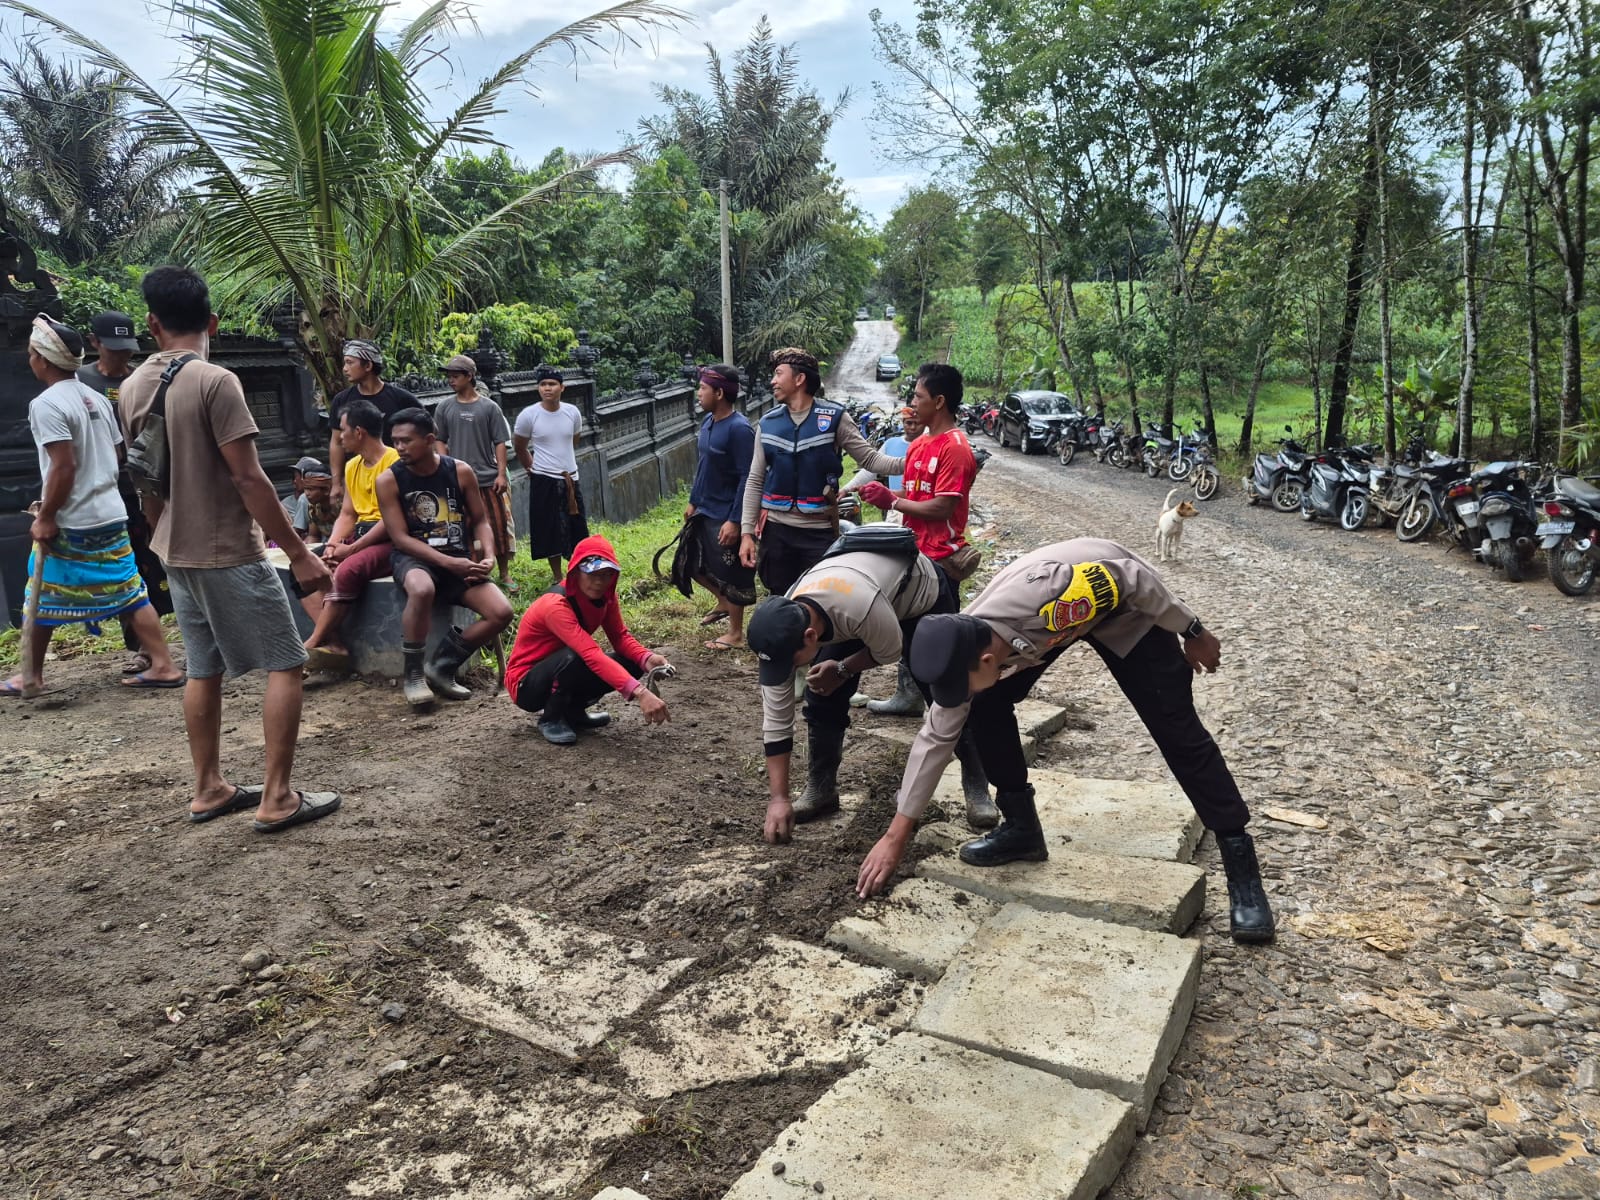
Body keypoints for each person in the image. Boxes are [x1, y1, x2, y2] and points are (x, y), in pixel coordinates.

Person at [853, 537, 1276, 945]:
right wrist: (896, 834)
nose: (954, 701)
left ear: (987, 660)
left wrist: (1192, 629)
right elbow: (934, 738)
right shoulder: (965, 647)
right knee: (982, 705)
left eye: (958, 688)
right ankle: (1021, 829)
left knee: (1177, 729)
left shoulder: (1047, 599)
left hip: (1121, 605)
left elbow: (1131, 577)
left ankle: (1242, 870)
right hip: (1051, 625)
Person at [119, 266, 339, 832]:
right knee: (287, 662)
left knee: (203, 667)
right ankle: (277, 797)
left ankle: (209, 787)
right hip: (227, 551)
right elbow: (250, 480)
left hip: (174, 548)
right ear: (212, 321)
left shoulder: (134, 385)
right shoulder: (216, 382)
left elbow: (145, 480)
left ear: (152, 323)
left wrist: (159, 534)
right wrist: (299, 552)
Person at [744, 532, 993, 840]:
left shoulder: (858, 607)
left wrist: (843, 668)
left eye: (790, 663)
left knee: (943, 690)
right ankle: (822, 789)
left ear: (811, 637)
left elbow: (891, 650)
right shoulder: (784, 625)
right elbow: (776, 721)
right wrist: (779, 798)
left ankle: (977, 783)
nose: (786, 670)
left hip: (920, 597)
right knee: (821, 696)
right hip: (862, 599)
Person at [5, 316, 183, 696]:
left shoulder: (46, 404)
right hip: (111, 512)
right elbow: (118, 453)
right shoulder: (98, 399)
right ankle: (164, 664)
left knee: (40, 590)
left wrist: (47, 515)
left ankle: (31, 675)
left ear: (42, 359)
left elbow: (63, 465)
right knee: (131, 590)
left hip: (73, 519)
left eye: (32, 353)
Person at [855, 363, 982, 722]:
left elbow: (943, 506)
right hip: (913, 553)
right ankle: (909, 695)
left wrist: (891, 501)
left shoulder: (955, 448)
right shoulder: (918, 445)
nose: (912, 403)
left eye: (919, 396)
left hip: (940, 561)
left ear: (939, 402)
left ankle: (952, 713)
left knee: (940, 641)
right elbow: (911, 494)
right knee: (910, 631)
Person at [375, 407, 513, 709]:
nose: (399, 447)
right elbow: (399, 538)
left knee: (501, 612)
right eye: (395, 441)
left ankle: (441, 666)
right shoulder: (389, 480)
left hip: (458, 558)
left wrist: (488, 555)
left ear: (429, 439)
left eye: (406, 441)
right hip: (414, 558)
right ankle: (413, 674)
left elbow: (480, 520)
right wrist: (450, 564)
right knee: (422, 589)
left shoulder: (459, 471)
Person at [739, 347, 905, 596]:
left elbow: (871, 459)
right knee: (780, 597)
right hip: (777, 531)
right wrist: (747, 533)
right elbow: (755, 480)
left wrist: (916, 460)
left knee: (819, 599)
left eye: (778, 374)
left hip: (818, 533)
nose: (772, 381)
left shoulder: (834, 418)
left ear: (799, 379)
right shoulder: (768, 424)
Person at [77, 309, 174, 677]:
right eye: (113, 348)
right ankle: (142, 648)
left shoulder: (142, 381)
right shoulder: (81, 382)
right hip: (106, 491)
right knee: (126, 568)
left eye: (126, 348)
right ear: (94, 343)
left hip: (148, 487)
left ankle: (165, 644)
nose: (122, 356)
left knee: (157, 562)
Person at [503, 534, 672, 745]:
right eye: (592, 573)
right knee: (575, 657)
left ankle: (573, 712)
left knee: (631, 661)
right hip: (526, 685)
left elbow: (619, 637)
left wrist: (647, 658)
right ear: (576, 572)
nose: (599, 581)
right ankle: (551, 718)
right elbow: (590, 654)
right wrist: (640, 692)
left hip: (565, 665)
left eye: (606, 574)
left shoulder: (606, 598)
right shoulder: (555, 606)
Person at [300, 400, 398, 665]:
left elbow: (391, 520)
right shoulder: (352, 465)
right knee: (304, 569)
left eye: (342, 430)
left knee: (348, 570)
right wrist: (332, 545)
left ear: (359, 432)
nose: (338, 437)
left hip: (388, 538)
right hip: (357, 535)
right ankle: (332, 642)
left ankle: (313, 642)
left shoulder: (395, 463)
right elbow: (347, 513)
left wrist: (351, 549)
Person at [686, 365, 757, 651]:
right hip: (704, 508)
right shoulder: (709, 422)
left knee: (731, 571)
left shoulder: (740, 429)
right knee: (691, 563)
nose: (699, 393)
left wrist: (736, 520)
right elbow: (703, 466)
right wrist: (693, 500)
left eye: (703, 388)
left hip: (726, 512)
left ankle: (736, 634)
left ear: (719, 392)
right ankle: (723, 602)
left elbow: (747, 476)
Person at [434, 354, 515, 592]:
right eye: (449, 376)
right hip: (457, 479)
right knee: (463, 527)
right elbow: (439, 439)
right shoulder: (444, 407)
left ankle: (505, 573)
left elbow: (500, 442)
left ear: (469, 377)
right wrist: (446, 465)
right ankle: (475, 570)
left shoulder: (489, 407)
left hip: (487, 477)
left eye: (455, 376)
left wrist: (501, 474)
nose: (451, 380)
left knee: (497, 526)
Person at [513, 366, 587, 582]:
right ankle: (557, 576)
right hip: (544, 478)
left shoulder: (572, 412)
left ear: (562, 387)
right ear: (538, 388)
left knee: (577, 525)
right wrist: (531, 468)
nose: (547, 388)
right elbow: (520, 446)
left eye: (552, 384)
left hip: (570, 478)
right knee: (550, 528)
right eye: (543, 384)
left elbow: (573, 440)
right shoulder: (529, 415)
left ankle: (578, 571)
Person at [325, 338, 416, 507]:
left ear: (368, 366)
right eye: (344, 363)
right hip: (359, 479)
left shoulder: (401, 398)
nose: (344, 369)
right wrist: (337, 483)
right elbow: (336, 442)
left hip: (397, 474)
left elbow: (425, 433)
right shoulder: (341, 400)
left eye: (350, 363)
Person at [288, 459, 337, 543]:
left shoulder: (339, 505)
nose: (307, 493)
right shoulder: (314, 508)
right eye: (305, 489)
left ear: (326, 490)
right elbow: (313, 536)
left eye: (311, 489)